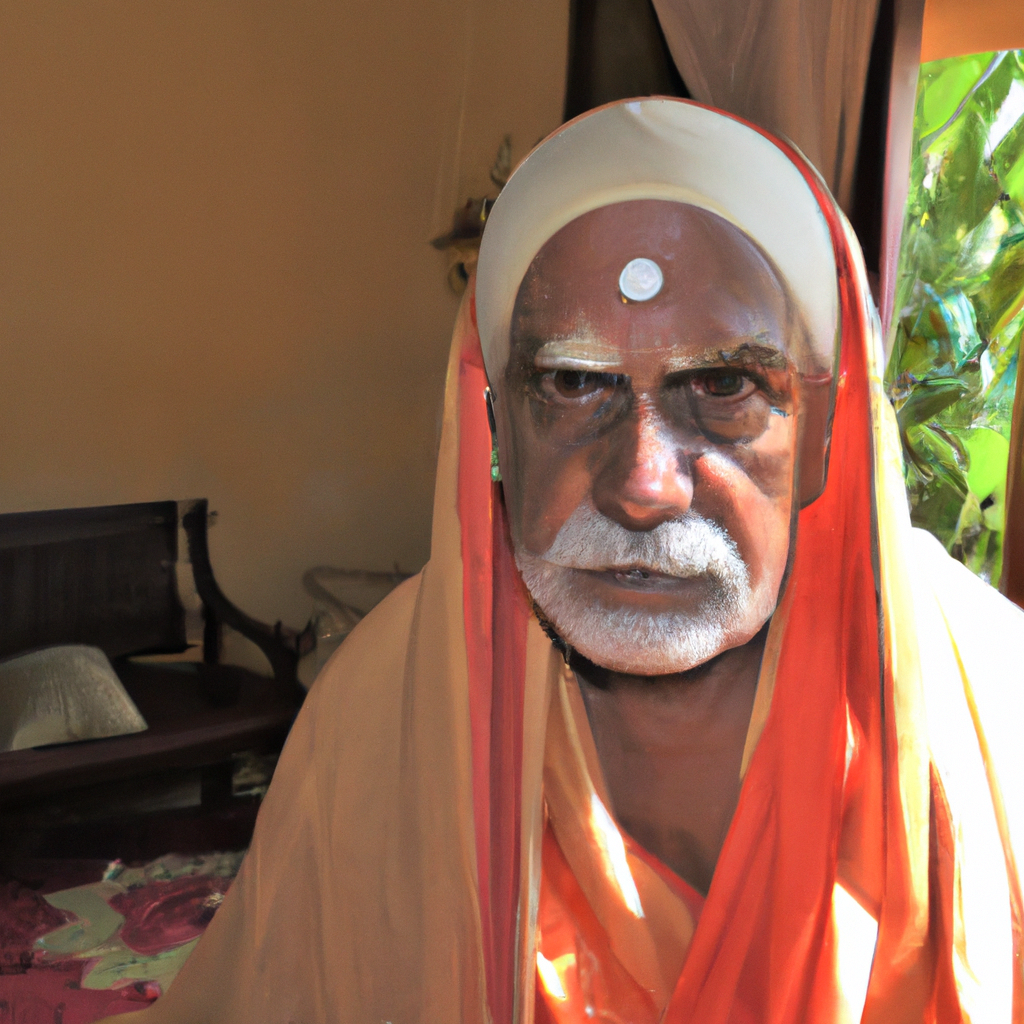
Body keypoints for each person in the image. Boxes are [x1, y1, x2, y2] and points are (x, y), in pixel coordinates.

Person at [109, 99, 1024, 1024]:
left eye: (724, 385)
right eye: (572, 385)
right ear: (494, 422)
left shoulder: (987, 696)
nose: (643, 485)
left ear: (828, 430)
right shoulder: (386, 708)